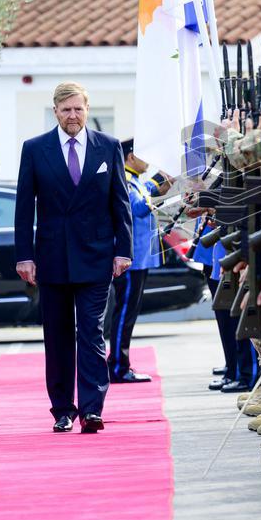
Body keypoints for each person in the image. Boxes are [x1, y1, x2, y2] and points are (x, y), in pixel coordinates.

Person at [14, 82, 132, 433]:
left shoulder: (107, 147)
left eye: (78, 109)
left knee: (92, 332)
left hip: (96, 256)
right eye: (66, 109)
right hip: (51, 257)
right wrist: (24, 256)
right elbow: (23, 208)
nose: (72, 115)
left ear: (87, 109)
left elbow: (120, 202)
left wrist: (123, 250)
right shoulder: (35, 149)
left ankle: (92, 408)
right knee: (58, 335)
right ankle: (63, 408)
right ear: (55, 112)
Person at [106, 138, 156, 384]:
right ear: (130, 156)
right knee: (124, 313)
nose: (148, 160)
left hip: (139, 257)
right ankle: (117, 365)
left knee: (129, 314)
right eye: (144, 154)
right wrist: (157, 186)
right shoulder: (126, 179)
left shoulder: (135, 180)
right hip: (130, 258)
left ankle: (119, 363)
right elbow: (137, 208)